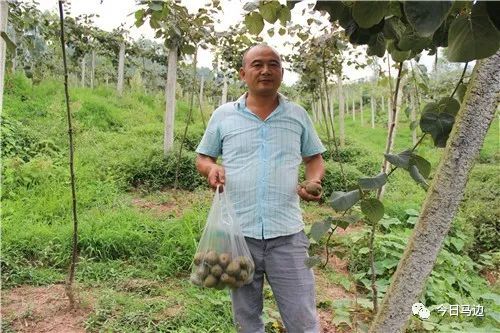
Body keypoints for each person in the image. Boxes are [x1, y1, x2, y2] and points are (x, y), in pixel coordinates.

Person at [195, 44, 325, 333]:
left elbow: (314, 159)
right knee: (247, 318)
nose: (265, 70)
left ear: (282, 72)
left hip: (288, 235)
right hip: (239, 235)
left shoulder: (297, 115)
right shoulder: (223, 115)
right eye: (257, 64)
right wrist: (211, 168)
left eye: (273, 64)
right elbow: (204, 157)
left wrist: (314, 181)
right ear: (243, 73)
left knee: (303, 319)